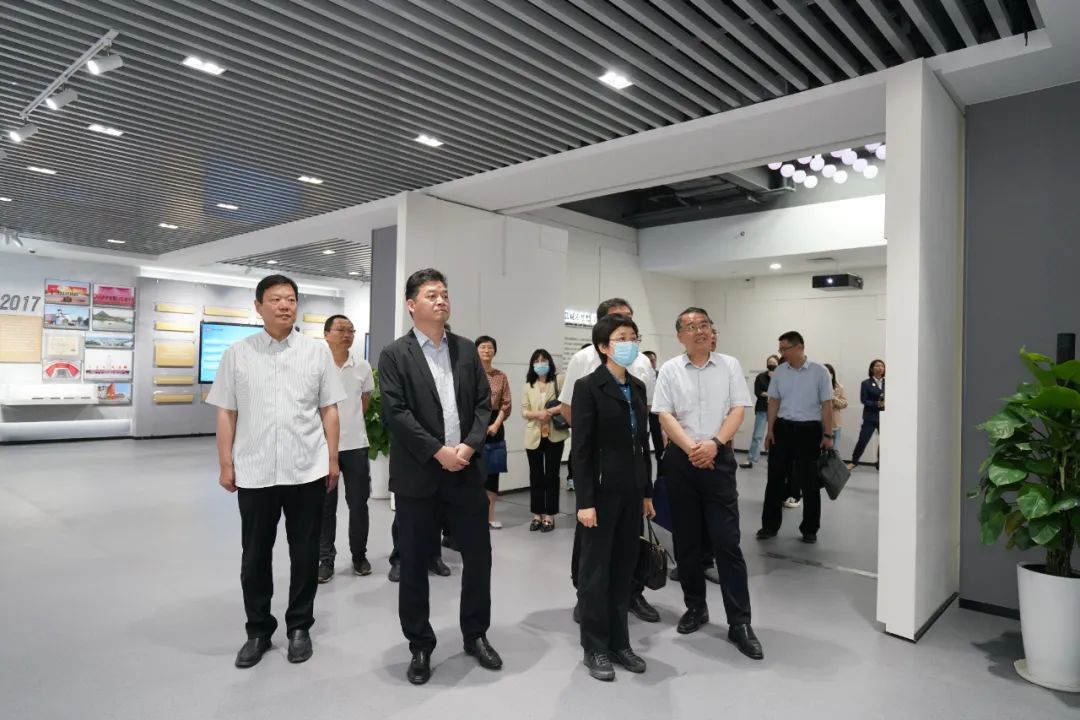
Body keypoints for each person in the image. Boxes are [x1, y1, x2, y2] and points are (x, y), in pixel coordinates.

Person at [206, 274, 346, 668]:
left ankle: (299, 627)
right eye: (275, 299)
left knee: (305, 553)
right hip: (255, 471)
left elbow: (329, 409)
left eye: (291, 299)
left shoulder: (316, 353)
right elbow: (226, 411)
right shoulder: (238, 354)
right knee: (254, 556)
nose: (285, 306)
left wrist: (332, 459)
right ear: (258, 306)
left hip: (306, 469)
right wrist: (225, 463)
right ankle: (258, 631)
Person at [378, 268, 501, 686]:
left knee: (479, 557)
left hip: (465, 472)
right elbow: (396, 413)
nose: (441, 300)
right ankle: (420, 644)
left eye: (445, 294)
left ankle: (476, 633)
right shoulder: (395, 355)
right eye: (431, 295)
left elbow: (483, 404)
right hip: (419, 476)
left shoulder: (465, 349)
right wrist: (438, 451)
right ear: (411, 305)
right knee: (414, 562)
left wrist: (467, 446)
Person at [653, 307, 763, 660]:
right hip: (682, 462)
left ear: (712, 332)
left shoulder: (729, 365)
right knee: (686, 541)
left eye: (704, 325)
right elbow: (664, 415)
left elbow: (738, 410)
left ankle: (739, 622)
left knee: (727, 543)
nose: (700, 330)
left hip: (718, 459)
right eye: (691, 326)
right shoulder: (670, 369)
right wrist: (692, 449)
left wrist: (714, 444)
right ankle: (695, 607)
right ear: (680, 336)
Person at [560, 298, 659, 624]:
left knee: (627, 551)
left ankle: (626, 603)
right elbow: (579, 439)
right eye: (621, 336)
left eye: (633, 335)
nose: (629, 343)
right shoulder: (586, 376)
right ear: (603, 342)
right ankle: (589, 607)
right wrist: (585, 499)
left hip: (632, 479)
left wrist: (646, 490)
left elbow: (643, 435)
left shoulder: (639, 379)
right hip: (602, 479)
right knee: (594, 553)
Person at [757, 331, 834, 544]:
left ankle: (810, 529)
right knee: (775, 479)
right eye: (780, 350)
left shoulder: (820, 372)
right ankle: (769, 526)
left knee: (809, 482)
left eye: (785, 349)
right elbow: (774, 401)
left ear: (799, 347)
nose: (782, 354)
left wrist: (828, 433)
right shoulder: (780, 372)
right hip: (782, 429)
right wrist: (770, 430)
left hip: (809, 430)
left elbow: (827, 404)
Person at [317, 314, 375, 583]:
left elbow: (365, 401)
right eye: (341, 329)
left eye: (351, 330)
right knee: (325, 506)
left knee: (358, 504)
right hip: (322, 446)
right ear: (326, 334)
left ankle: (359, 556)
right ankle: (325, 559)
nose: (347, 335)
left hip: (355, 446)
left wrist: (349, 421)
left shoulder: (362, 366)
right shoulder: (317, 365)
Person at [521, 348, 568, 532]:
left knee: (552, 476)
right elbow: (524, 410)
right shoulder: (528, 385)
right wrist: (537, 414)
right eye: (537, 361)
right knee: (535, 476)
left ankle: (550, 515)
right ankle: (536, 514)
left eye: (544, 360)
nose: (540, 364)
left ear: (550, 363)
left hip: (555, 435)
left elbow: (566, 403)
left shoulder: (559, 380)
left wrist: (549, 412)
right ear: (532, 365)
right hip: (534, 436)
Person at [476, 335, 511, 529]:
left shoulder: (501, 376)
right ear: (476, 351)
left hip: (495, 425)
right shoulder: (471, 374)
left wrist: (496, 424)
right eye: (482, 347)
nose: (486, 350)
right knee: (473, 472)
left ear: (494, 351)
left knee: (492, 473)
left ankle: (490, 516)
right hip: (474, 425)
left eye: (490, 347)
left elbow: (506, 403)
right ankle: (474, 516)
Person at [740, 355, 780, 470]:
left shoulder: (781, 377)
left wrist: (768, 391)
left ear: (778, 364)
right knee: (757, 435)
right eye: (770, 362)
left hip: (777, 410)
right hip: (762, 409)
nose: (772, 364)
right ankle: (751, 459)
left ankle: (773, 459)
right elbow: (758, 392)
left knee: (775, 436)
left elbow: (781, 393)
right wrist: (771, 394)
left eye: (774, 362)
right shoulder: (760, 377)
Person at [850, 359, 885, 470]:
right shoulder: (866, 383)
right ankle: (854, 461)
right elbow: (864, 400)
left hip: (884, 417)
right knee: (863, 440)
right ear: (872, 369)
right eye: (877, 366)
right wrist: (876, 403)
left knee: (885, 442)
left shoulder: (888, 382)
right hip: (870, 417)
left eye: (882, 366)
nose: (880, 368)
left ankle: (880, 463)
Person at [643, 350, 666, 465]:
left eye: (653, 361)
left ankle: (661, 470)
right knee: (643, 443)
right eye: (648, 361)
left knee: (659, 444)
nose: (651, 363)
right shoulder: (638, 376)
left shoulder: (661, 376)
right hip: (643, 413)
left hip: (657, 414)